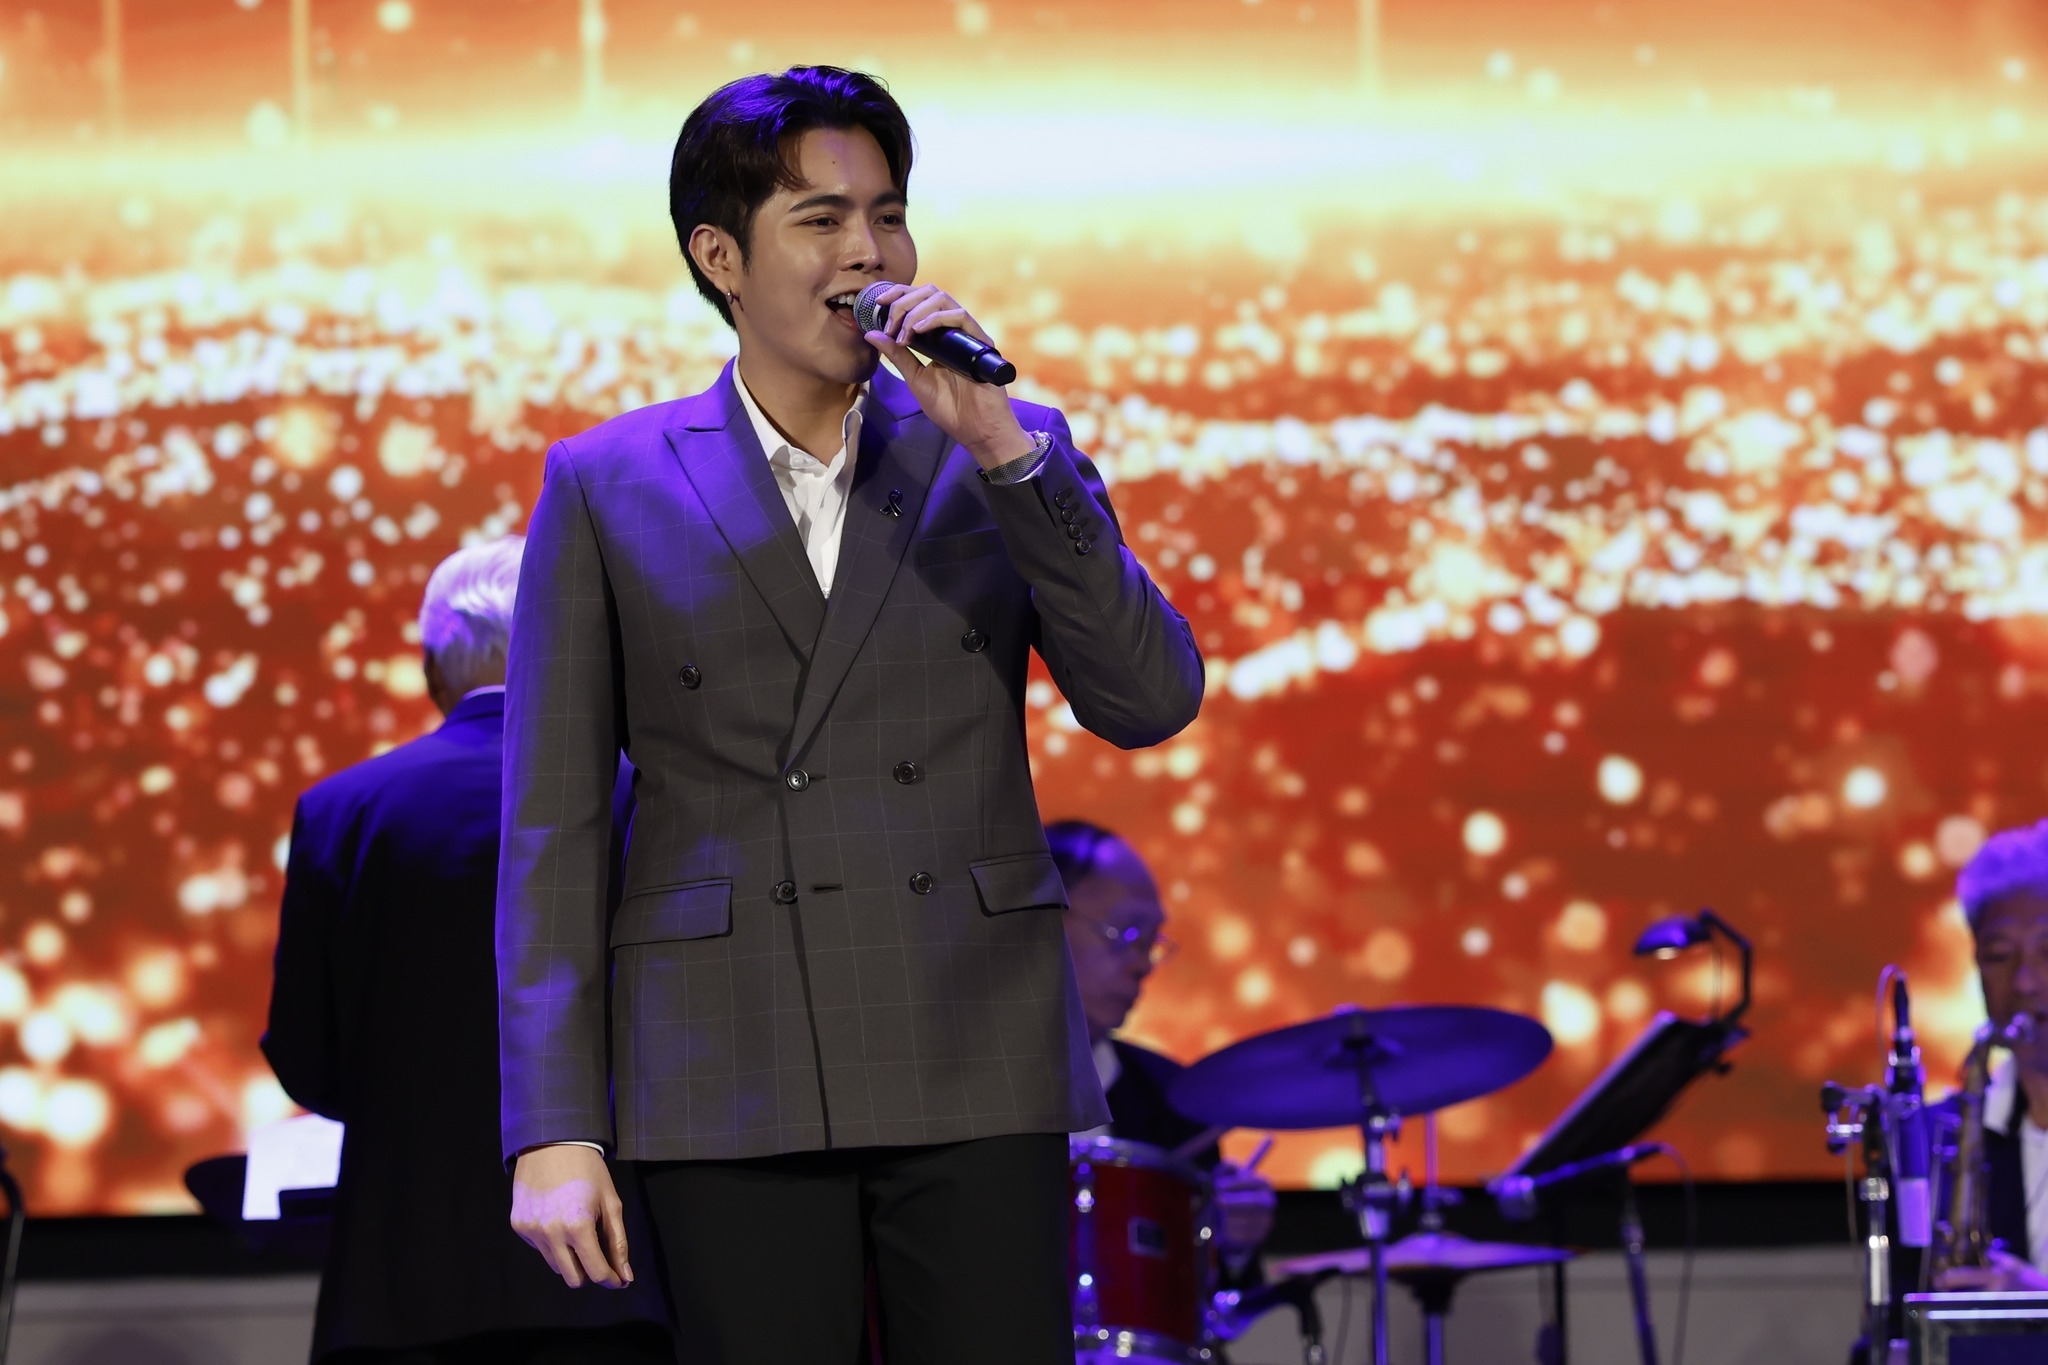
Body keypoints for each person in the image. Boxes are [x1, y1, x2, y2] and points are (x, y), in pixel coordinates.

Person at [497, 65, 1204, 1365]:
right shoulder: (607, 483)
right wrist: (553, 1123)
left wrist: (1006, 454)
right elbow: (554, 826)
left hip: (973, 1039)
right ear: (720, 257)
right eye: (820, 220)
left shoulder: (1001, 447)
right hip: (726, 1049)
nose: (868, 251)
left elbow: (1148, 697)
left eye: (887, 215)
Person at [263, 538, 670, 1365]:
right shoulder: (645, 792)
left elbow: (307, 1055)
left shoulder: (340, 810)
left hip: (400, 1284)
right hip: (612, 1266)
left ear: (430, 672)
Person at [1048, 820, 1277, 1281]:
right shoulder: (952, 1085)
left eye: (1151, 943)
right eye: (1126, 933)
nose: (1142, 966)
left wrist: (1231, 1242)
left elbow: (1204, 1306)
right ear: (1038, 921)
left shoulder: (1173, 1098)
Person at [1932, 818, 2048, 1292]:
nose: (2025, 982)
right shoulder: (1942, 1136)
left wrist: (2034, 1303)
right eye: (1999, 957)